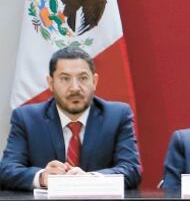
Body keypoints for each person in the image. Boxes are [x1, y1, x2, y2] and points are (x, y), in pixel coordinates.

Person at [0, 46, 141, 190]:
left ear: (94, 81)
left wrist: (91, 179)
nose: (75, 87)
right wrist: (43, 177)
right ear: (51, 83)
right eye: (65, 79)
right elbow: (7, 170)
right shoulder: (27, 118)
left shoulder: (117, 116)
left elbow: (131, 170)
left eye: (83, 78)